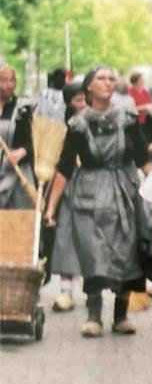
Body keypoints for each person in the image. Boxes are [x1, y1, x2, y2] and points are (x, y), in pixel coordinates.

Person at [44, 66, 152, 337]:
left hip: (124, 193)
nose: (108, 82)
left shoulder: (128, 119)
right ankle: (94, 315)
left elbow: (143, 159)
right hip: (89, 194)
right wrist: (51, 207)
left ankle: (120, 315)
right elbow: (65, 167)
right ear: (89, 88)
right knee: (92, 252)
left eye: (111, 78)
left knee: (127, 253)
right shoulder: (78, 125)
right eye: (101, 78)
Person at [47, 81, 88, 313]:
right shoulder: (63, 128)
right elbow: (61, 164)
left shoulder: (96, 121)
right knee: (66, 236)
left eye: (84, 98)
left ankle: (97, 292)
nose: (81, 104)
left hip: (95, 186)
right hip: (70, 185)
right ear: (69, 103)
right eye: (77, 100)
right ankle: (65, 290)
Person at [0, 65, 36, 210]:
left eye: (12, 81)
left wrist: (22, 152)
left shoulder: (23, 109)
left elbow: (35, 141)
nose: (8, 85)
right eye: (3, 80)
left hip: (17, 173)